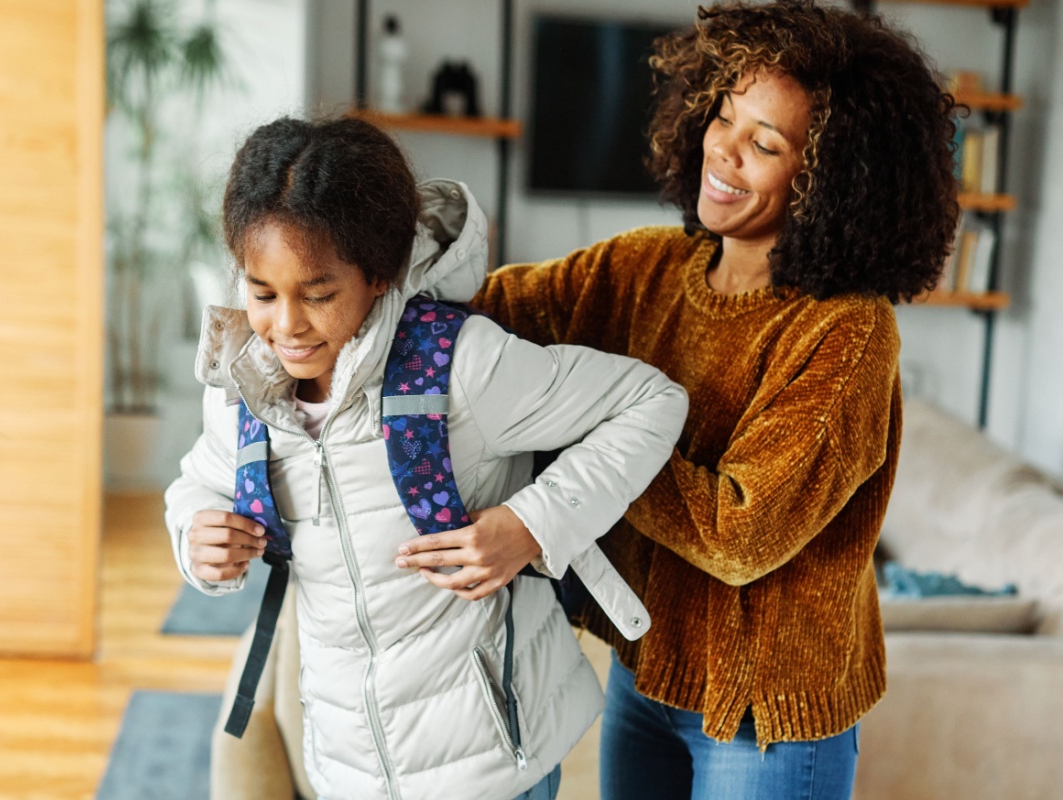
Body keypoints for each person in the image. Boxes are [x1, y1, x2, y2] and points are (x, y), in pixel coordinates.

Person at [394, 1, 960, 798]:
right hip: (646, 674)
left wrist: (585, 451)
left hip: (767, 718)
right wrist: (343, 289)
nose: (722, 150)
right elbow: (486, 310)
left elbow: (741, 531)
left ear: (829, 182)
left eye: (764, 143)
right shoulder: (647, 269)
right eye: (723, 115)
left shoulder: (848, 334)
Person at [162, 115, 689, 800]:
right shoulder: (243, 388)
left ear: (380, 273)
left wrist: (532, 525)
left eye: (318, 295)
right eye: (262, 294)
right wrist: (195, 538)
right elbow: (196, 484)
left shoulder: (461, 369)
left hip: (491, 765)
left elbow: (650, 402)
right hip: (347, 770)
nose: (286, 326)